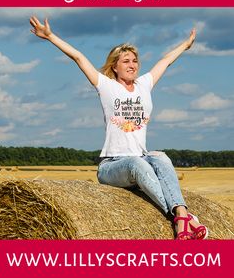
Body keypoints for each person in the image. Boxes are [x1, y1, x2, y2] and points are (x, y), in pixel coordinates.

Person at [30, 16, 208, 240]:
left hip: (142, 158)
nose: (132, 65)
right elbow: (78, 57)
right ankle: (185, 217)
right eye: (125, 61)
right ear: (114, 66)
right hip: (112, 166)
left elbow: (166, 61)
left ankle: (181, 215)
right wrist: (50, 36)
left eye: (134, 60)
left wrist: (186, 44)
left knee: (161, 157)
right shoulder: (106, 86)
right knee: (135, 164)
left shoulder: (144, 85)